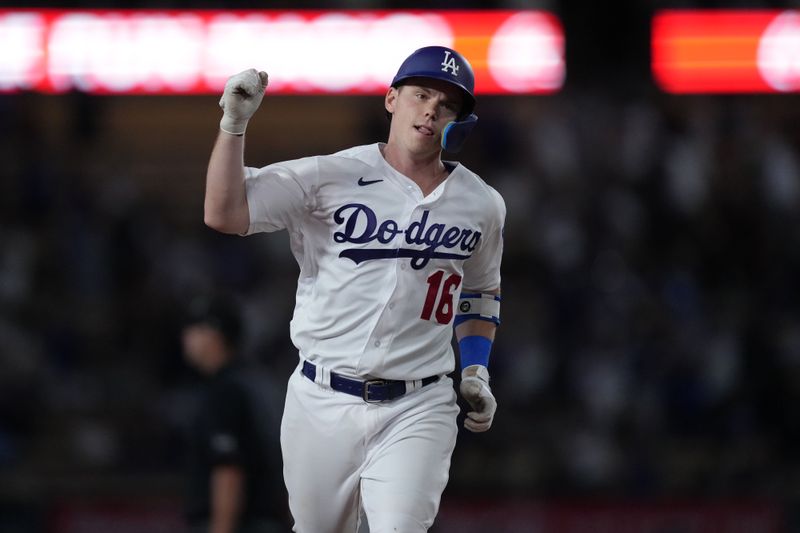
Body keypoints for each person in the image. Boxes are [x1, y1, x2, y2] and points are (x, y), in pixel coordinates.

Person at [204, 45, 505, 532]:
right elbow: (224, 212)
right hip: (321, 397)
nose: (431, 109)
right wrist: (233, 124)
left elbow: (480, 292)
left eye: (446, 104)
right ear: (391, 99)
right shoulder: (330, 175)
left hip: (419, 402)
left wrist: (476, 369)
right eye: (421, 94)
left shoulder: (482, 204)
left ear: (459, 121)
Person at [180, 293, 289, 533]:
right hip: (268, 518)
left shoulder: (225, 391)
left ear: (214, 334)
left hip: (244, 523)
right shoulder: (254, 382)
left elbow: (228, 469)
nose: (186, 337)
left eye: (194, 329)